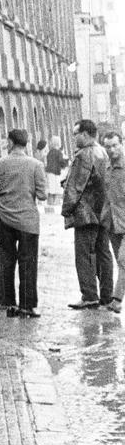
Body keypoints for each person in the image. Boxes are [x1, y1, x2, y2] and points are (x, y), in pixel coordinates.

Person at [0, 128, 48, 318]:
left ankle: (10, 304)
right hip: (28, 221)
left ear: (11, 143)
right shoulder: (36, 165)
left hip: (5, 220)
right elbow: (43, 194)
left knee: (6, 262)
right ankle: (27, 306)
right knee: (28, 263)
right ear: (26, 144)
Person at [63, 119, 113, 308]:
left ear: (84, 134)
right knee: (103, 253)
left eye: (75, 133)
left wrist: (67, 209)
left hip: (85, 213)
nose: (74, 137)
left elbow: (75, 187)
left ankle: (89, 295)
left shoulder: (83, 154)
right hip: (102, 211)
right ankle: (107, 296)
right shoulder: (103, 152)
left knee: (83, 255)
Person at [104, 131, 125, 316]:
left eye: (115, 145)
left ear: (122, 143)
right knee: (121, 261)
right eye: (108, 146)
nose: (111, 150)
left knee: (123, 260)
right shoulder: (107, 166)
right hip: (112, 222)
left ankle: (117, 300)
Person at [45, 135, 69, 212]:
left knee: (51, 188)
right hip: (56, 172)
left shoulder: (50, 152)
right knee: (56, 188)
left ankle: (49, 203)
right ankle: (55, 203)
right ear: (58, 143)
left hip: (49, 172)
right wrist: (66, 163)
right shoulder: (59, 153)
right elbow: (61, 162)